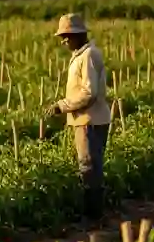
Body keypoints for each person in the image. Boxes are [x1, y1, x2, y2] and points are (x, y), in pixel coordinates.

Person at [45, 13, 112, 220]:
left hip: (89, 120)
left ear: (79, 34)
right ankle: (93, 215)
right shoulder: (82, 55)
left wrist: (62, 106)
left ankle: (94, 217)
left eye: (67, 36)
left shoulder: (89, 56)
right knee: (89, 167)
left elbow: (88, 93)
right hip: (85, 120)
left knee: (89, 168)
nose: (64, 41)